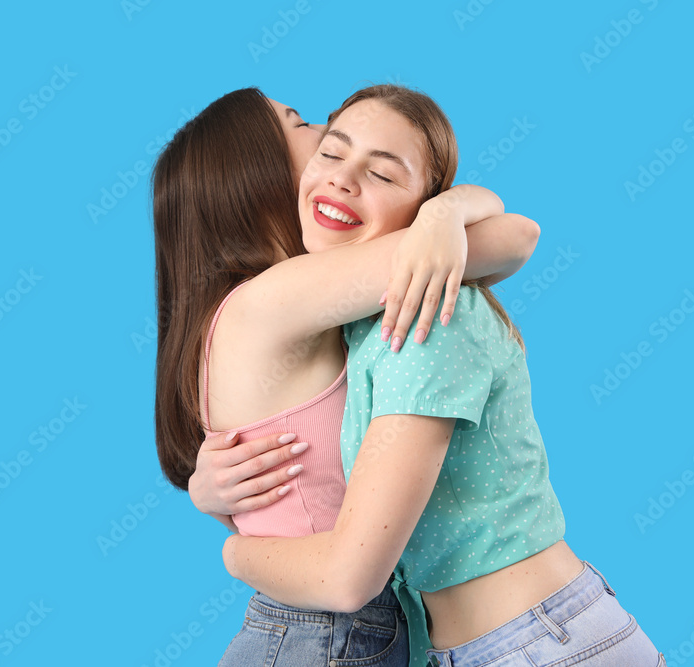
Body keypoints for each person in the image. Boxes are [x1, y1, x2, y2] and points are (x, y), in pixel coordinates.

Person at [211, 85, 665, 666]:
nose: (344, 180)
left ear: (420, 212)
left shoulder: (423, 321)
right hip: (501, 643)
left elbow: (351, 575)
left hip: (537, 645)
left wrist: (236, 553)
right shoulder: (364, 324)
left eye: (383, 174)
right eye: (331, 152)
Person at [152, 85, 540, 667]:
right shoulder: (277, 299)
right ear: (256, 171)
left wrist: (441, 211)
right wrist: (446, 214)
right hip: (328, 634)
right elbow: (513, 239)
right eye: (301, 124)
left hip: (332, 630)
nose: (327, 136)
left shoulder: (263, 307)